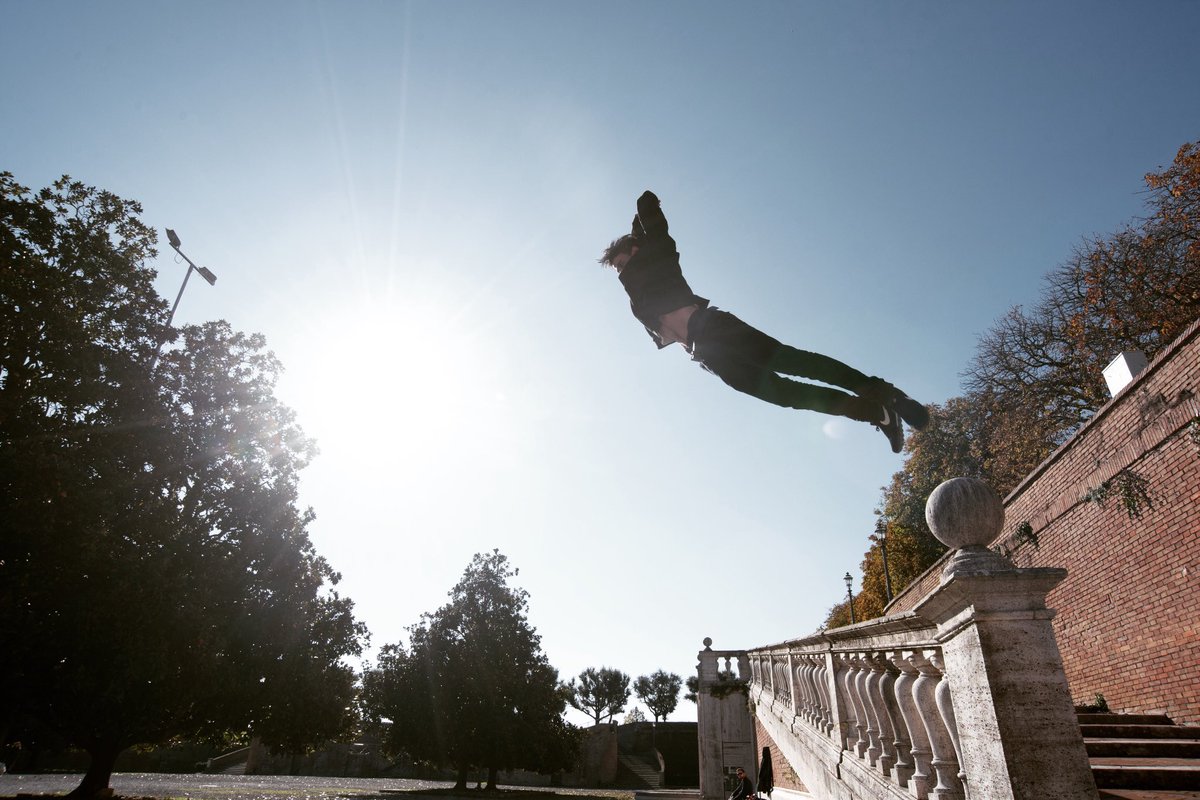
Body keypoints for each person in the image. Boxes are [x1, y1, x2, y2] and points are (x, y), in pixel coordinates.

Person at [600, 190, 928, 452]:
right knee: (789, 395)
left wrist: (642, 208)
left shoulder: (659, 260)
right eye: (616, 269)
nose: (621, 272)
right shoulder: (637, 303)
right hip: (708, 357)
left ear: (638, 252)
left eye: (623, 263)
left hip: (714, 328)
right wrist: (629, 241)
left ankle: (885, 393)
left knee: (794, 362)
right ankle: (878, 413)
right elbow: (635, 267)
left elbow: (655, 232)